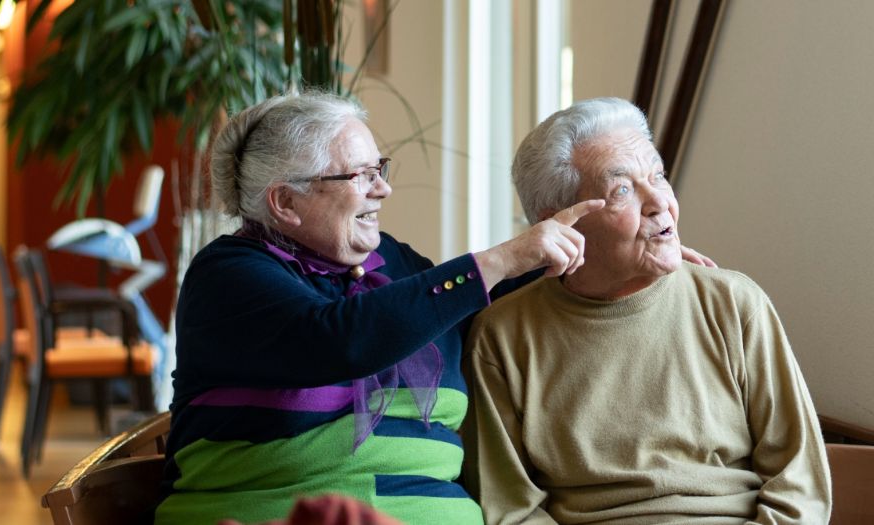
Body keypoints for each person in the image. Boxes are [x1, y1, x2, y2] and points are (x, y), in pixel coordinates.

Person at [154, 92, 713, 525]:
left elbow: (487, 310)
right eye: (361, 175)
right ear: (285, 201)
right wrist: (497, 259)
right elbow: (342, 340)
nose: (383, 191)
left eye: (382, 169)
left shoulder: (393, 268)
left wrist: (614, 258)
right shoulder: (228, 275)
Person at [470, 97, 831, 524]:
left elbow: (800, 486)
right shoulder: (503, 337)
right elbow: (511, 506)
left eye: (658, 176)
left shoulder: (734, 305)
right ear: (559, 224)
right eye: (622, 189)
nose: (659, 202)